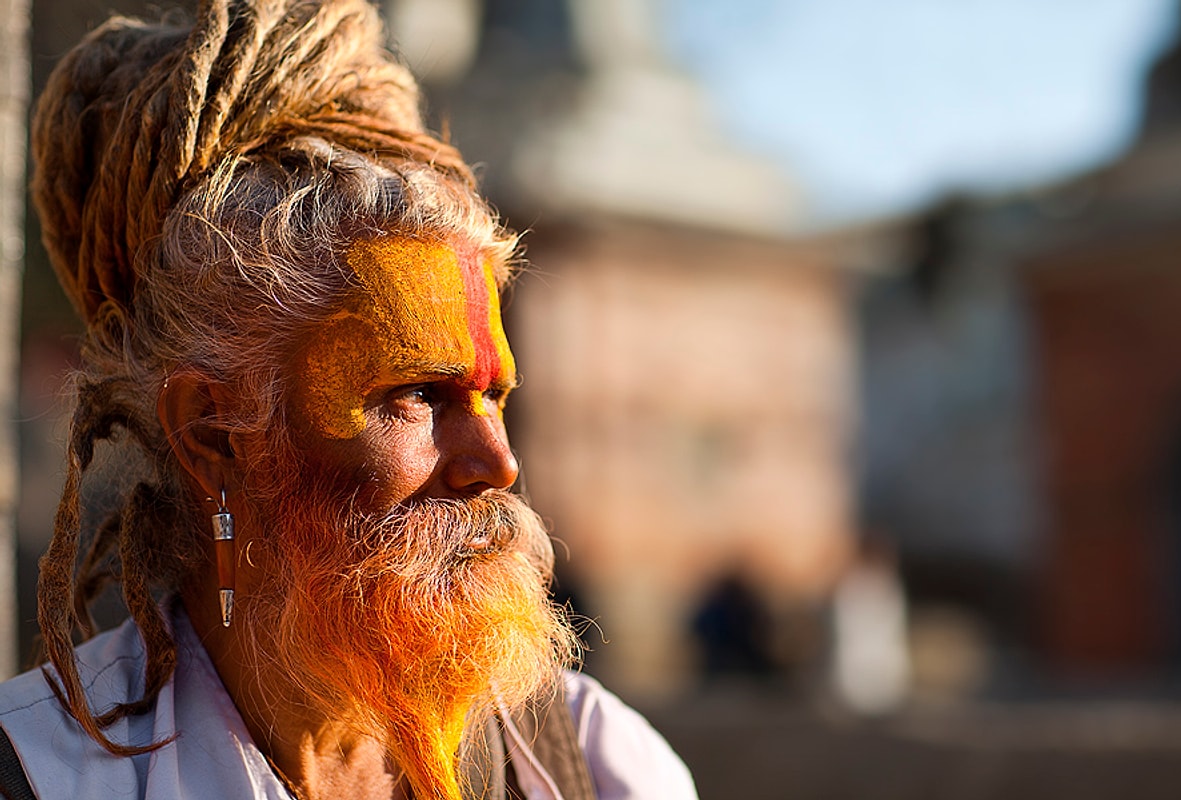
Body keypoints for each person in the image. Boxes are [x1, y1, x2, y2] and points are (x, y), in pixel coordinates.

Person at [0, 1, 697, 798]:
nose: (497, 464)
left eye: (495, 395)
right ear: (211, 432)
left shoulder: (597, 764)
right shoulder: (39, 775)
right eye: (419, 394)